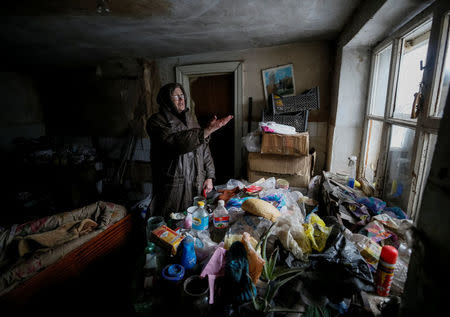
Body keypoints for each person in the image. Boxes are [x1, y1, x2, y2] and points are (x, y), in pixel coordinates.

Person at [146, 82, 233, 220]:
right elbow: (176, 143)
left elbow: (204, 148)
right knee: (171, 222)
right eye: (176, 96)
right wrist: (207, 130)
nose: (181, 99)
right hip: (174, 186)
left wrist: (209, 176)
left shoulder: (190, 118)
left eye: (182, 95)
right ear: (166, 100)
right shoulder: (156, 122)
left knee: (194, 220)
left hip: (196, 182)